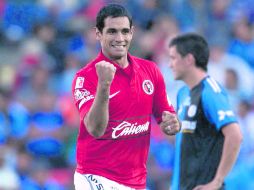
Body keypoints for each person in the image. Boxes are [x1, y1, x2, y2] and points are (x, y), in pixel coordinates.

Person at [71, 4, 181, 190]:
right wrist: (104, 85)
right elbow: (95, 129)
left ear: (132, 32)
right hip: (95, 176)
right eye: (112, 31)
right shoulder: (85, 77)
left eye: (124, 31)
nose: (119, 38)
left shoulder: (150, 71)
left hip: (136, 181)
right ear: (98, 34)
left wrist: (172, 124)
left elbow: (166, 119)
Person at [168, 33, 243, 190]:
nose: (170, 64)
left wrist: (217, 181)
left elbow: (235, 135)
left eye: (173, 58)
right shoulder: (183, 94)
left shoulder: (210, 91)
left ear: (189, 59)